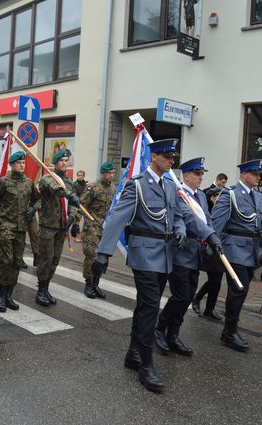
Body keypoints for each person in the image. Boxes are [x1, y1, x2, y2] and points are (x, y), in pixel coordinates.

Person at [91, 139, 185, 394]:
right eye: (167, 156)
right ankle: (145, 364)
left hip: (164, 255)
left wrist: (178, 229)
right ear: (154, 156)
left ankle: (133, 354)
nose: (172, 161)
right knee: (151, 307)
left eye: (173, 157)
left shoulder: (168, 185)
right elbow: (116, 219)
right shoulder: (137, 186)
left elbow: (175, 216)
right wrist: (103, 253)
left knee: (145, 307)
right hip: (144, 254)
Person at [154, 157, 222, 357]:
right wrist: (208, 235)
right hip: (180, 252)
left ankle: (173, 335)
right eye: (197, 174)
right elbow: (188, 219)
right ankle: (160, 327)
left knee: (188, 296)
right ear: (186, 175)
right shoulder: (178, 194)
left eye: (202, 174)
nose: (201, 177)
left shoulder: (200, 196)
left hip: (196, 253)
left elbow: (207, 220)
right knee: (181, 295)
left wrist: (211, 239)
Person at [211, 159, 262, 352]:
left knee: (240, 290)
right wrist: (213, 243)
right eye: (255, 174)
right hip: (234, 249)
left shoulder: (258, 196)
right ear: (244, 174)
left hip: (251, 249)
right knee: (239, 288)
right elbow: (217, 221)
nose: (258, 177)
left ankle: (229, 329)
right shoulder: (230, 194)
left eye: (259, 174)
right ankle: (230, 332)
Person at [0, 151, 39, 312]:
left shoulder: (29, 183)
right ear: (11, 165)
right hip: (6, 227)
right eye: (19, 163)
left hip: (21, 229)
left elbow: (38, 199)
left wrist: (34, 208)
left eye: (23, 163)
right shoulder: (4, 182)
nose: (22, 165)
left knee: (16, 262)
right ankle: (1, 295)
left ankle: (9, 295)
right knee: (6, 262)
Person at [35, 149, 80, 307]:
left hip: (62, 227)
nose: (64, 163)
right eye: (61, 161)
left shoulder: (69, 182)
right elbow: (57, 190)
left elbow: (74, 204)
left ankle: (46, 288)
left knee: (55, 260)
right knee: (46, 259)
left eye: (66, 161)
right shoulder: (48, 179)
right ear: (55, 163)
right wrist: (69, 194)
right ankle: (40, 290)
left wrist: (73, 218)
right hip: (48, 226)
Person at [81, 162, 115, 299]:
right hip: (92, 226)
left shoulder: (113, 188)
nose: (111, 175)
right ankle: (88, 284)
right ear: (102, 173)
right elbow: (82, 204)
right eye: (108, 173)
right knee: (91, 256)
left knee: (102, 258)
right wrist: (82, 223)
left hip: (105, 228)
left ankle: (96, 284)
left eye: (112, 173)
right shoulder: (93, 187)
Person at [191, 186, 225, 320]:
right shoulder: (208, 210)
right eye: (219, 197)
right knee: (215, 279)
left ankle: (208, 307)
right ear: (212, 198)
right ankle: (199, 300)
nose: (222, 200)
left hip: (220, 246)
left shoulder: (222, 208)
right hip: (209, 247)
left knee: (216, 280)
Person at [72, 170, 88, 242]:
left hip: (85, 206)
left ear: (83, 176)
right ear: (77, 176)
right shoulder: (74, 185)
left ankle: (83, 236)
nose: (80, 177)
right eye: (79, 175)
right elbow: (74, 195)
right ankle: (77, 237)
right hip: (77, 206)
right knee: (76, 222)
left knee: (87, 222)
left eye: (81, 175)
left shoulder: (86, 185)